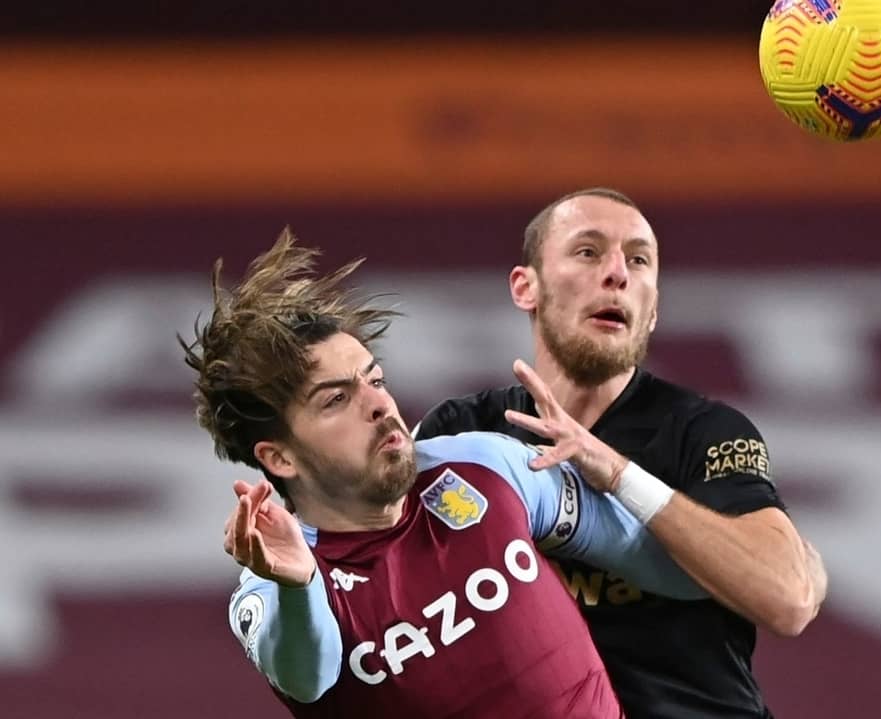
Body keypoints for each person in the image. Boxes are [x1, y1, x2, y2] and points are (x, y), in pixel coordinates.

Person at [182, 230, 709, 719]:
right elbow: (305, 676)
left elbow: (661, 562)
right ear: (280, 459)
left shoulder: (481, 465)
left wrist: (627, 479)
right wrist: (297, 587)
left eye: (375, 379)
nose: (380, 405)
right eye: (337, 399)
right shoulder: (276, 583)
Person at [415, 188, 829, 718]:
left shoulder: (702, 433)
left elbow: (788, 599)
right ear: (526, 287)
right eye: (588, 252)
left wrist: (616, 472)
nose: (617, 274)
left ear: (651, 310)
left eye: (638, 260)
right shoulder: (462, 432)